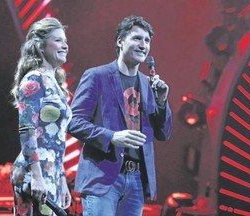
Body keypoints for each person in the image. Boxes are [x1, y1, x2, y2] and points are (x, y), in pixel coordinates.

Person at [68, 15, 172, 216]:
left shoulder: (149, 85)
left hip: (136, 180)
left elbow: (164, 133)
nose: (143, 45)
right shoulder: (97, 76)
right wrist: (112, 137)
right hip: (103, 178)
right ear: (120, 41)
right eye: (137, 38)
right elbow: (73, 122)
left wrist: (162, 101)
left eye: (147, 40)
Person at [10, 17, 72, 215]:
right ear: (41, 46)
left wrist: (61, 179)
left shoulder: (55, 85)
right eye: (58, 40)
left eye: (65, 41)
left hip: (51, 171)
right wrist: (36, 175)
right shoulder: (34, 79)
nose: (65, 45)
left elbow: (57, 139)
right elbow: (27, 128)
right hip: (33, 171)